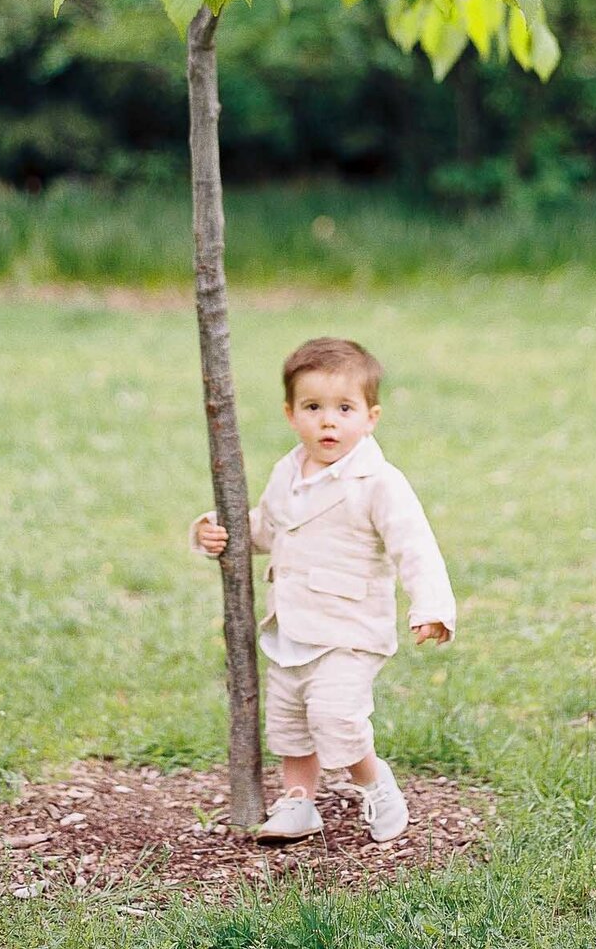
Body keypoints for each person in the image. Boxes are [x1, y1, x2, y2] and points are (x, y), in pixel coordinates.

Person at [190, 335, 455, 844]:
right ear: (291, 414)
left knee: (335, 716)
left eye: (344, 408)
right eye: (313, 407)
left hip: (350, 628)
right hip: (292, 623)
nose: (328, 421)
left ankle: (375, 784)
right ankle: (299, 801)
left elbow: (414, 546)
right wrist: (220, 531)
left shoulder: (378, 481)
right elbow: (268, 529)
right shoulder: (286, 473)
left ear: (371, 417)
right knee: (290, 722)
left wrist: (432, 605)